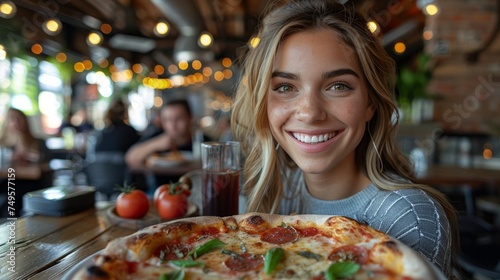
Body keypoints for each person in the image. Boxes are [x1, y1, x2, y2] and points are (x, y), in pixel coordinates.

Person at [231, 0, 457, 278]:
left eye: (338, 86)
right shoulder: (269, 195)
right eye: (285, 87)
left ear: (370, 103)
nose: (310, 113)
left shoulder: (408, 216)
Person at [125, 99, 209, 187]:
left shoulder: (203, 140)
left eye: (178, 119)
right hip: (160, 192)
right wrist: (156, 144)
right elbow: (130, 158)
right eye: (167, 120)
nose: (173, 125)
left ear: (190, 118)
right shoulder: (157, 137)